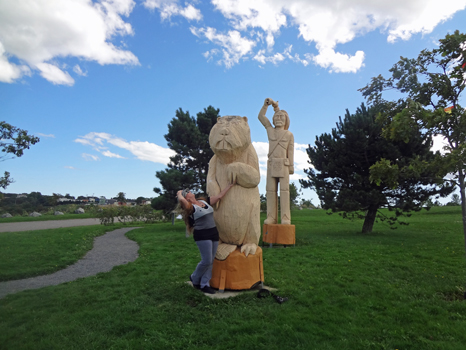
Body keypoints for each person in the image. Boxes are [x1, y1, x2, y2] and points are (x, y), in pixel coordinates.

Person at [176, 183, 235, 294]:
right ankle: (194, 277)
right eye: (187, 192)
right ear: (186, 197)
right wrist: (179, 194)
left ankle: (204, 284)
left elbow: (218, 197)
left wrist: (230, 186)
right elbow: (182, 202)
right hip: (202, 235)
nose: (190, 191)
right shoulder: (190, 207)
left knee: (211, 261)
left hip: (213, 233)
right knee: (206, 260)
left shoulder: (203, 202)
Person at [258, 97, 294, 225]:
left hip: (283, 164)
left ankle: (285, 217)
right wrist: (266, 106)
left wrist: (291, 166)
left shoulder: (289, 134)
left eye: (281, 118)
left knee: (284, 191)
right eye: (276, 117)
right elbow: (261, 117)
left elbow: (291, 151)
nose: (278, 119)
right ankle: (271, 217)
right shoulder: (270, 131)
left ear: (286, 120)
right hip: (272, 164)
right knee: (270, 191)